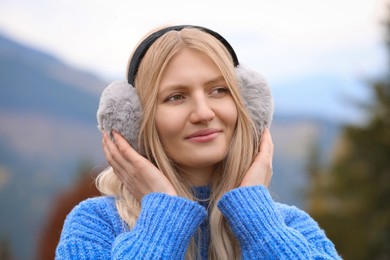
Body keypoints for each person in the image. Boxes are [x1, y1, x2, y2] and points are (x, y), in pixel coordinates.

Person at [55, 24, 341, 259]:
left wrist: (258, 222)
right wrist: (162, 220)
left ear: (248, 106)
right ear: (135, 120)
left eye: (218, 90)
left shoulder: (290, 227)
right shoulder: (95, 225)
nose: (204, 113)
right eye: (175, 96)